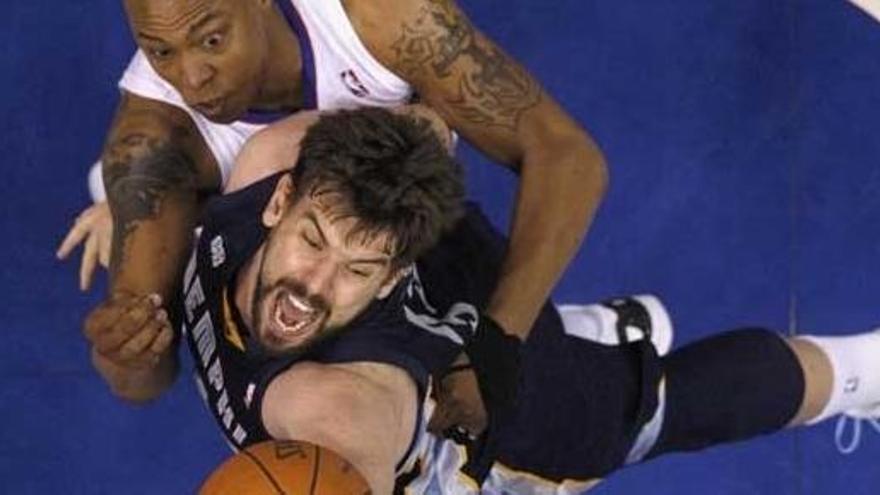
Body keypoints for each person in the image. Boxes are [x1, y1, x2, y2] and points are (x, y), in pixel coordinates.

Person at [87, 107, 879, 493]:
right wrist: (127, 208)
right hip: (454, 269)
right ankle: (586, 328)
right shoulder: (267, 157)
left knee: (650, 413)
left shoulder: (335, 410)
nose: (310, 288)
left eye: (357, 270)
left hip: (487, 425)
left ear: (391, 276)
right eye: (312, 240)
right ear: (278, 199)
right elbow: (419, 127)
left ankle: (859, 372)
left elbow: (351, 443)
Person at [59, 0, 608, 404]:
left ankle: (569, 341)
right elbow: (143, 383)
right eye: (159, 51)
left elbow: (566, 156)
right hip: (283, 312)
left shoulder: (378, 16)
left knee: (568, 419)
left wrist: (499, 338)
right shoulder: (154, 144)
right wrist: (124, 354)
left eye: (210, 41)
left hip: (415, 238)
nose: (192, 79)